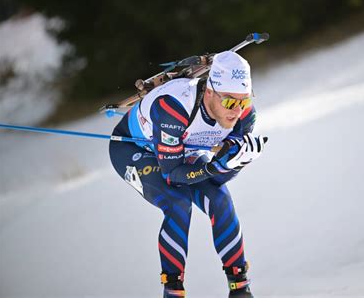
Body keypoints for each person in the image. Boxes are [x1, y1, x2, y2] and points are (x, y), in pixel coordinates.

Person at [109, 51, 267, 298]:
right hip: (135, 148)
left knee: (220, 200)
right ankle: (173, 292)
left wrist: (233, 164)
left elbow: (214, 179)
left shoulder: (244, 115)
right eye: (229, 102)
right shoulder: (173, 106)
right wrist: (217, 165)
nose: (237, 110)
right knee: (178, 203)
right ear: (210, 92)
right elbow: (172, 175)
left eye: (244, 101)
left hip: (184, 148)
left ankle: (240, 288)